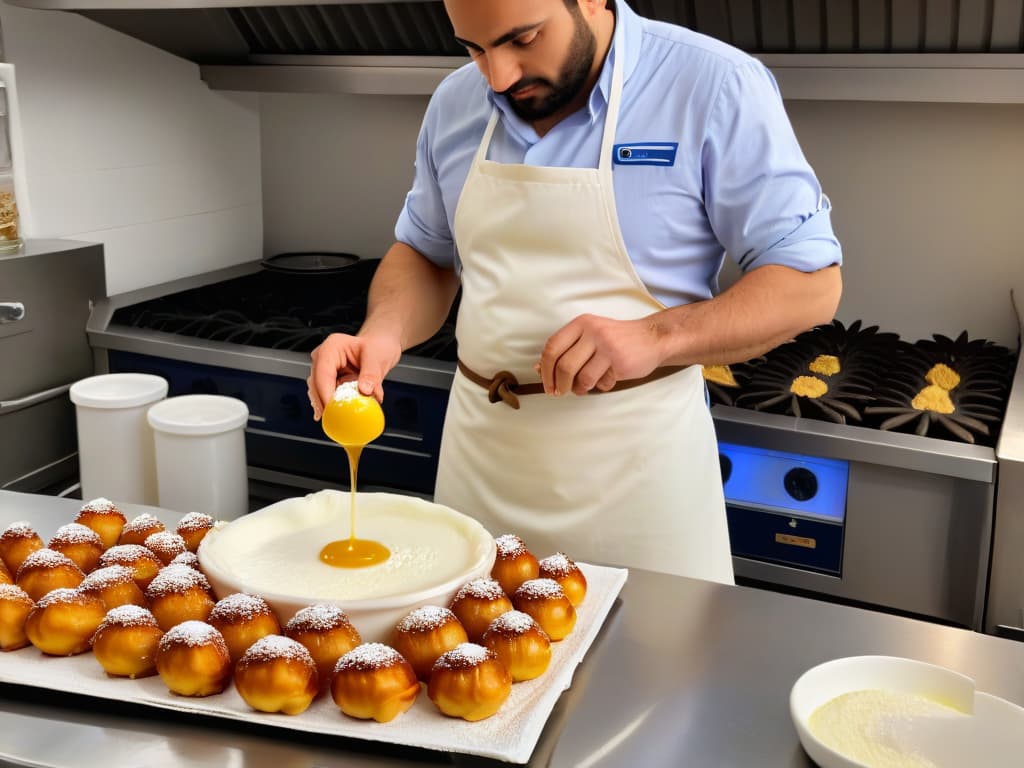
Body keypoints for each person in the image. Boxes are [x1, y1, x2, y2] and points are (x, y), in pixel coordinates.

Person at [308, 0, 842, 584]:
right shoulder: (455, 103)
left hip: (640, 490)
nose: (499, 77)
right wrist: (381, 333)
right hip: (480, 476)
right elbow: (426, 255)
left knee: (651, 670)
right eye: (475, 48)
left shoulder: (712, 86)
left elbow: (809, 283)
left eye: (524, 38)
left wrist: (656, 336)